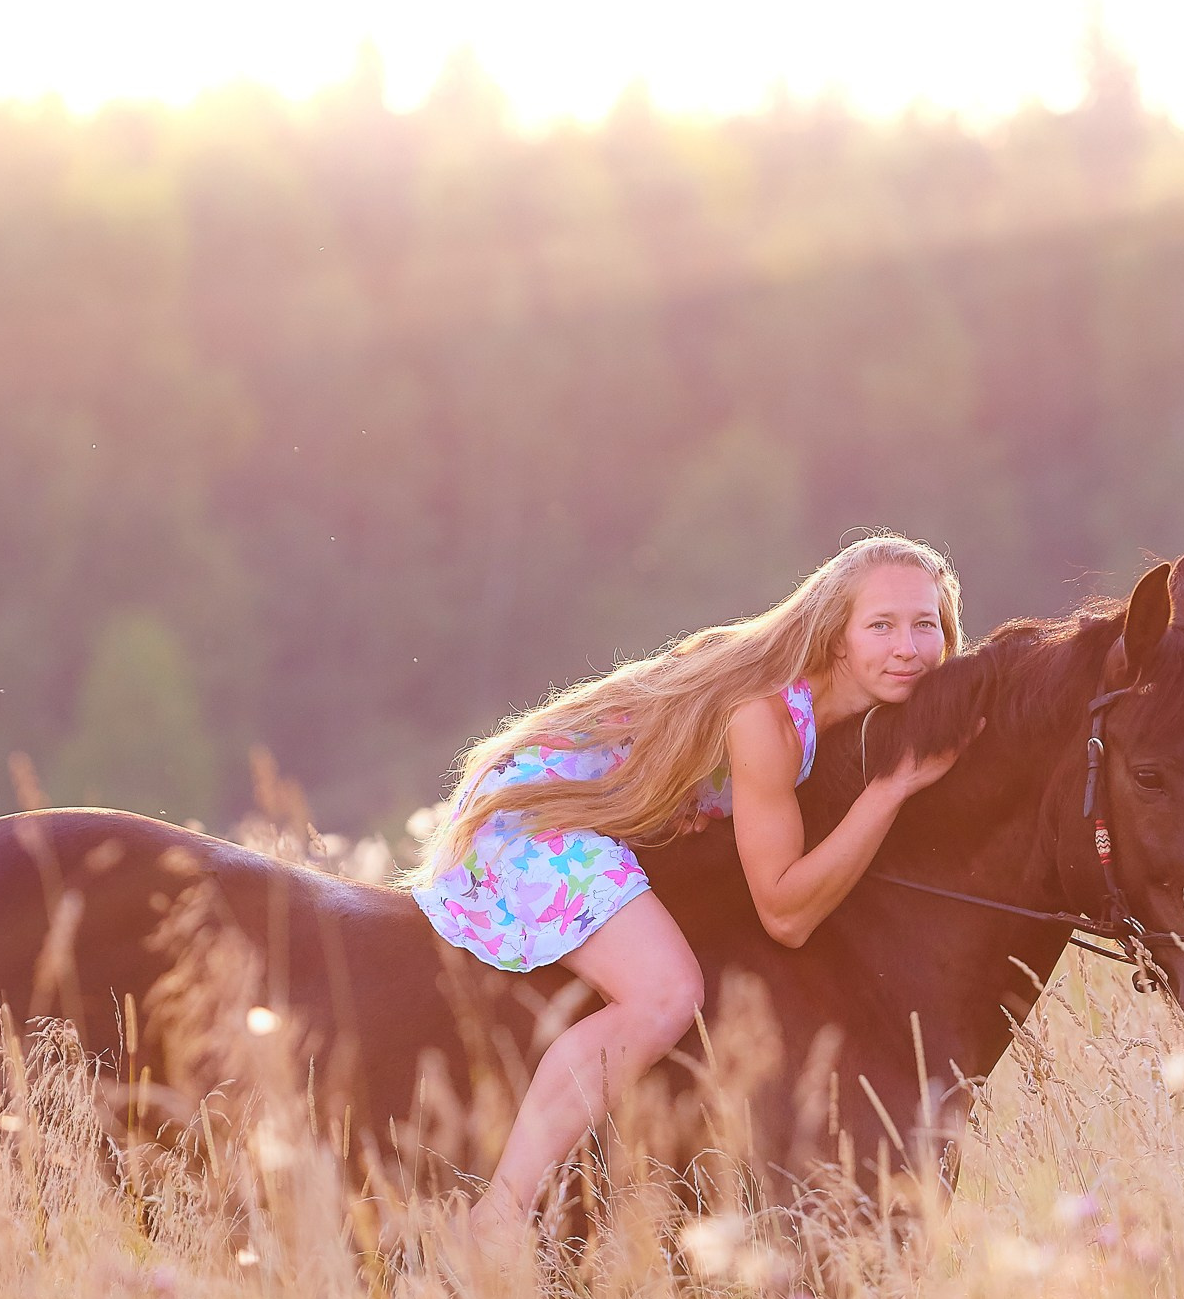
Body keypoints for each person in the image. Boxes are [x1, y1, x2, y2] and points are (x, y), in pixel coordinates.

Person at [408, 534, 968, 1246]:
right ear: (836, 635)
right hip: (539, 810)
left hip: (617, 819)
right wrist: (891, 791)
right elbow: (787, 912)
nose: (909, 647)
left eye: (926, 625)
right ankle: (498, 1216)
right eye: (881, 626)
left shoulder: (841, 714)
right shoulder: (763, 714)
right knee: (667, 993)